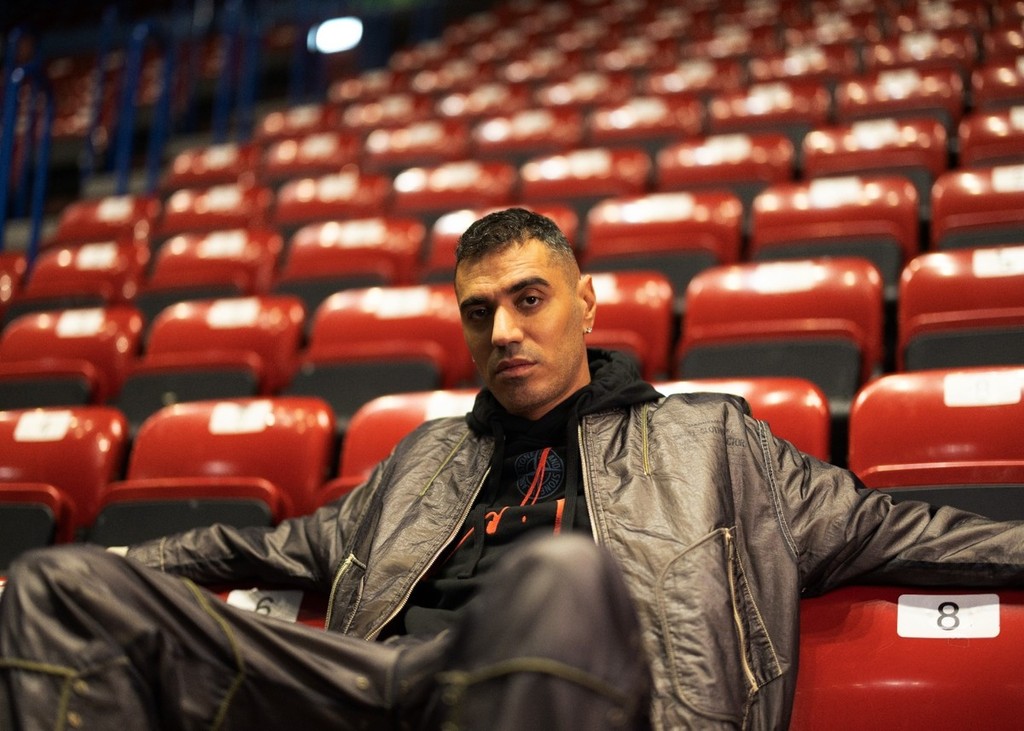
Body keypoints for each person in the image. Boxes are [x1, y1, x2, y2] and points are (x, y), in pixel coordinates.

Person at [2, 207, 1024, 730]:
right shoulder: (425, 457)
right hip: (391, 688)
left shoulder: (713, 440)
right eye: (479, 312)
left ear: (587, 301)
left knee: (557, 575)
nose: (502, 331)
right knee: (63, 587)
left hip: (594, 695)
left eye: (529, 299)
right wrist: (106, 565)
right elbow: (261, 546)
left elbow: (903, 529)